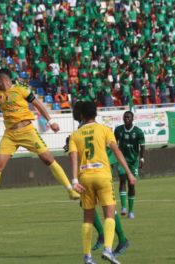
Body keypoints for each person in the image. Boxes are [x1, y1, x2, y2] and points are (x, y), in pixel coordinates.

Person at [0, 68, 80, 211]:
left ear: (3, 79)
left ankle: (70, 190)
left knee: (48, 159)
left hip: (28, 131)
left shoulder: (21, 90)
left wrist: (50, 121)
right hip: (10, 135)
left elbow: (38, 105)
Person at [68, 101, 136, 264]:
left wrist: (74, 180)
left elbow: (73, 157)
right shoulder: (105, 129)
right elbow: (116, 151)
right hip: (103, 176)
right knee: (110, 214)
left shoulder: (75, 135)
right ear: (96, 114)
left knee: (88, 218)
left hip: (85, 178)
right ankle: (107, 249)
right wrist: (128, 173)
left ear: (81, 115)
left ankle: (87, 257)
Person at [114, 111, 145, 219]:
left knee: (131, 184)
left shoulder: (138, 132)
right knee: (122, 179)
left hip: (133, 162)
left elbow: (142, 146)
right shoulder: (118, 130)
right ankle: (123, 207)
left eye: (128, 117)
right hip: (122, 160)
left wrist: (141, 158)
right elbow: (114, 144)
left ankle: (131, 211)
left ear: (132, 119)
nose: (126, 119)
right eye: (125, 117)